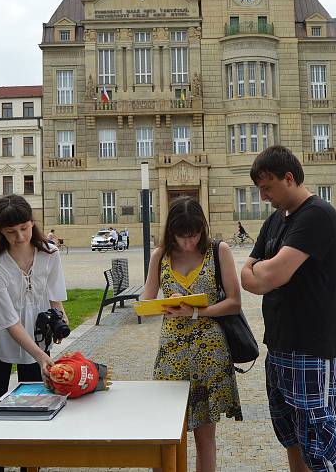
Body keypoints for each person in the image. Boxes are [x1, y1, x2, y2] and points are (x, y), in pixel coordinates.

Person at [241, 145, 336, 472]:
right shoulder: (276, 220)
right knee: (289, 433)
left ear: (288, 178)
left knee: (320, 441)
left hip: (313, 347)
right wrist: (262, 272)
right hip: (279, 344)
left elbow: (268, 276)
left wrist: (264, 272)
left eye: (267, 188)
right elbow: (247, 277)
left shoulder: (317, 215)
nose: (263, 197)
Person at [141, 196, 242, 472]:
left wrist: (196, 312)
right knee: (166, 433)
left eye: (194, 235)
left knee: (205, 437)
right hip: (172, 353)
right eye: (182, 237)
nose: (189, 242)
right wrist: (166, 304)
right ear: (171, 232)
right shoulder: (160, 255)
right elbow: (146, 301)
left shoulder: (218, 251)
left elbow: (234, 302)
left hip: (209, 352)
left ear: (202, 229)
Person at [0, 195, 69, 472]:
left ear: (33, 224)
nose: (19, 237)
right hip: (0, 342)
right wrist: (41, 355)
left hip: (38, 338)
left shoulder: (50, 254)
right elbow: (10, 323)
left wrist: (61, 323)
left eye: (25, 228)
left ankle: (30, 467)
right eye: (11, 232)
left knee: (36, 413)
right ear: (1, 232)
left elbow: (55, 298)